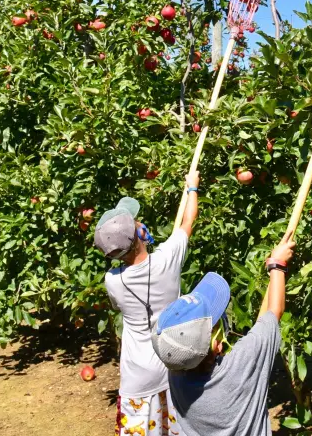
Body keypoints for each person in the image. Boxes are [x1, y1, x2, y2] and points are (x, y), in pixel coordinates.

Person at [150, 232, 296, 436]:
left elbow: (266, 321)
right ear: (216, 344)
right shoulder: (240, 367)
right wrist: (277, 265)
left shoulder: (177, 373)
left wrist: (276, 265)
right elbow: (275, 312)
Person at [94, 172, 200, 436]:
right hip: (173, 366)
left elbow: (120, 305)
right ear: (138, 234)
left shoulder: (113, 281)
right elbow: (188, 221)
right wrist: (192, 188)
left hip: (138, 378)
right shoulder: (167, 260)